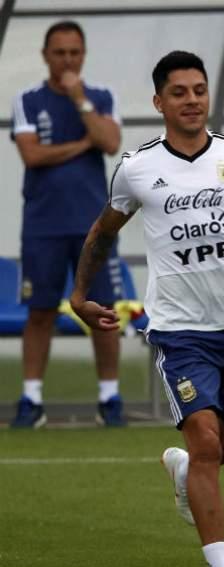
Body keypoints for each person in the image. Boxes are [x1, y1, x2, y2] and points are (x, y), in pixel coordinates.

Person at [70, 51, 224, 567]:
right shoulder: (138, 168)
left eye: (199, 90)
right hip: (179, 329)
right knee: (208, 443)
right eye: (179, 92)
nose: (191, 100)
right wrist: (79, 295)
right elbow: (101, 232)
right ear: (159, 102)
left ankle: (180, 473)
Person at [10, 20, 123, 428]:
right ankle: (31, 400)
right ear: (45, 56)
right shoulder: (26, 100)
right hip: (42, 225)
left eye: (75, 52)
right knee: (39, 311)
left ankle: (110, 400)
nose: (68, 59)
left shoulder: (101, 96)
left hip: (94, 225)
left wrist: (80, 100)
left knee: (103, 311)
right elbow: (32, 156)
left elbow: (110, 142)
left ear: (84, 55)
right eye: (60, 52)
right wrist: (81, 144)